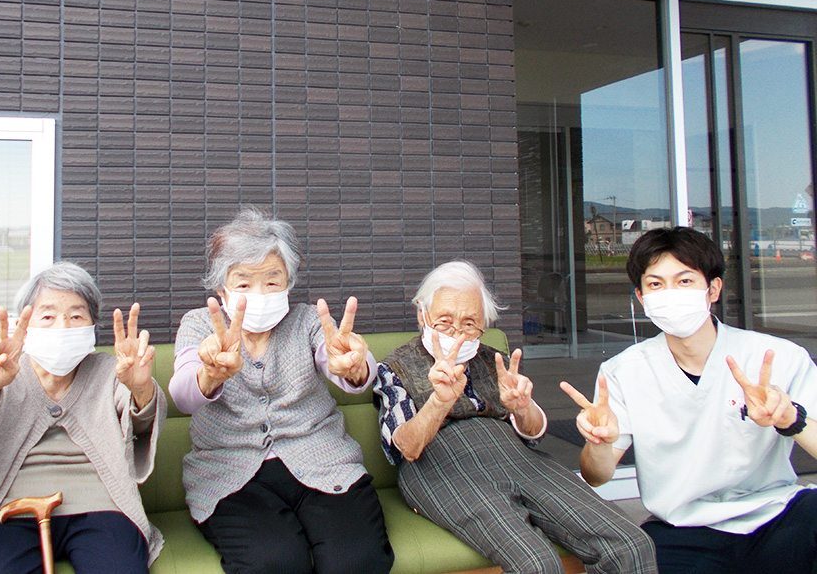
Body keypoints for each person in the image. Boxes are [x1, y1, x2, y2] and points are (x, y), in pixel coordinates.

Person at [375, 260, 658, 574]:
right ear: (422, 315)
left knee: (632, 543)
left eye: (469, 324)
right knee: (535, 564)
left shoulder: (495, 360)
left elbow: (533, 434)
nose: (457, 335)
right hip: (438, 467)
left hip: (516, 456)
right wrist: (439, 403)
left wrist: (523, 407)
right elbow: (406, 448)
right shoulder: (395, 367)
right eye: (444, 321)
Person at [562, 227, 817, 574]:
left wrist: (792, 418)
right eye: (655, 284)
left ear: (712, 289)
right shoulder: (623, 372)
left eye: (684, 281)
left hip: (777, 514)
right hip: (681, 527)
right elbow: (597, 476)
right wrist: (599, 445)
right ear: (641, 297)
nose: (670, 294)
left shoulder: (777, 357)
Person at [168, 207, 393, 574]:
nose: (259, 292)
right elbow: (182, 394)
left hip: (322, 462)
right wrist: (209, 374)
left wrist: (355, 367)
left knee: (357, 561)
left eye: (272, 281)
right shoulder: (199, 325)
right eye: (243, 283)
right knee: (273, 563)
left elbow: (338, 361)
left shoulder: (307, 320)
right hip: (231, 475)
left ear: (288, 282)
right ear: (221, 288)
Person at [0, 262, 166, 574]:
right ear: (25, 327)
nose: (63, 327)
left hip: (100, 504)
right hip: (5, 508)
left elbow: (141, 420)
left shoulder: (111, 372)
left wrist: (140, 389)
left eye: (76, 316)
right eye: (48, 316)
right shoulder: (3, 372)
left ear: (92, 325)